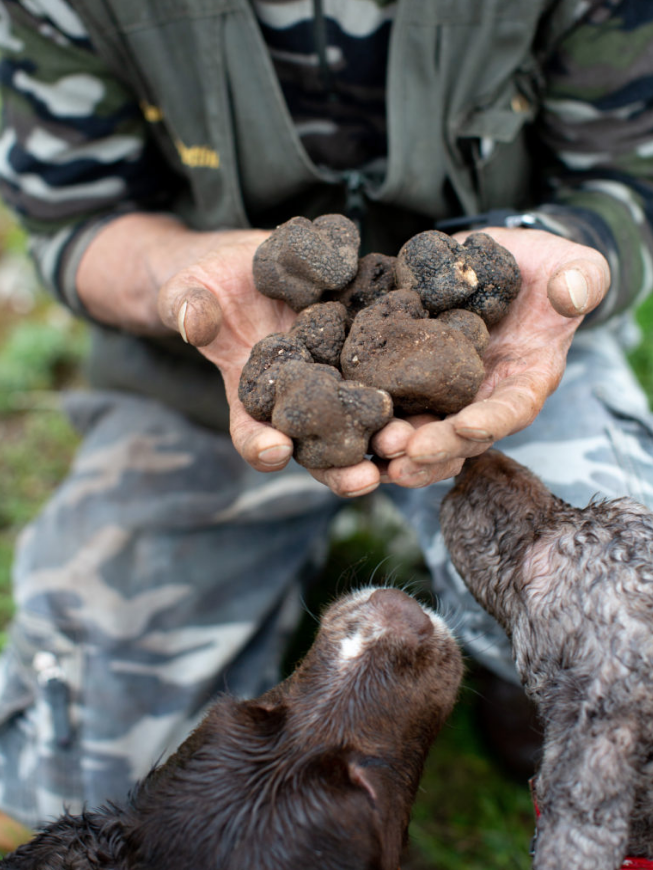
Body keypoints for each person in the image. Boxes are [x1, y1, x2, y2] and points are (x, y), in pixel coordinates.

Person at [0, 0, 651, 836]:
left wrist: (553, 257)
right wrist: (187, 274)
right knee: (59, 777)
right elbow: (74, 219)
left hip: (514, 356)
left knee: (628, 647)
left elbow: (627, 180)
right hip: (199, 379)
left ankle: (517, 679)